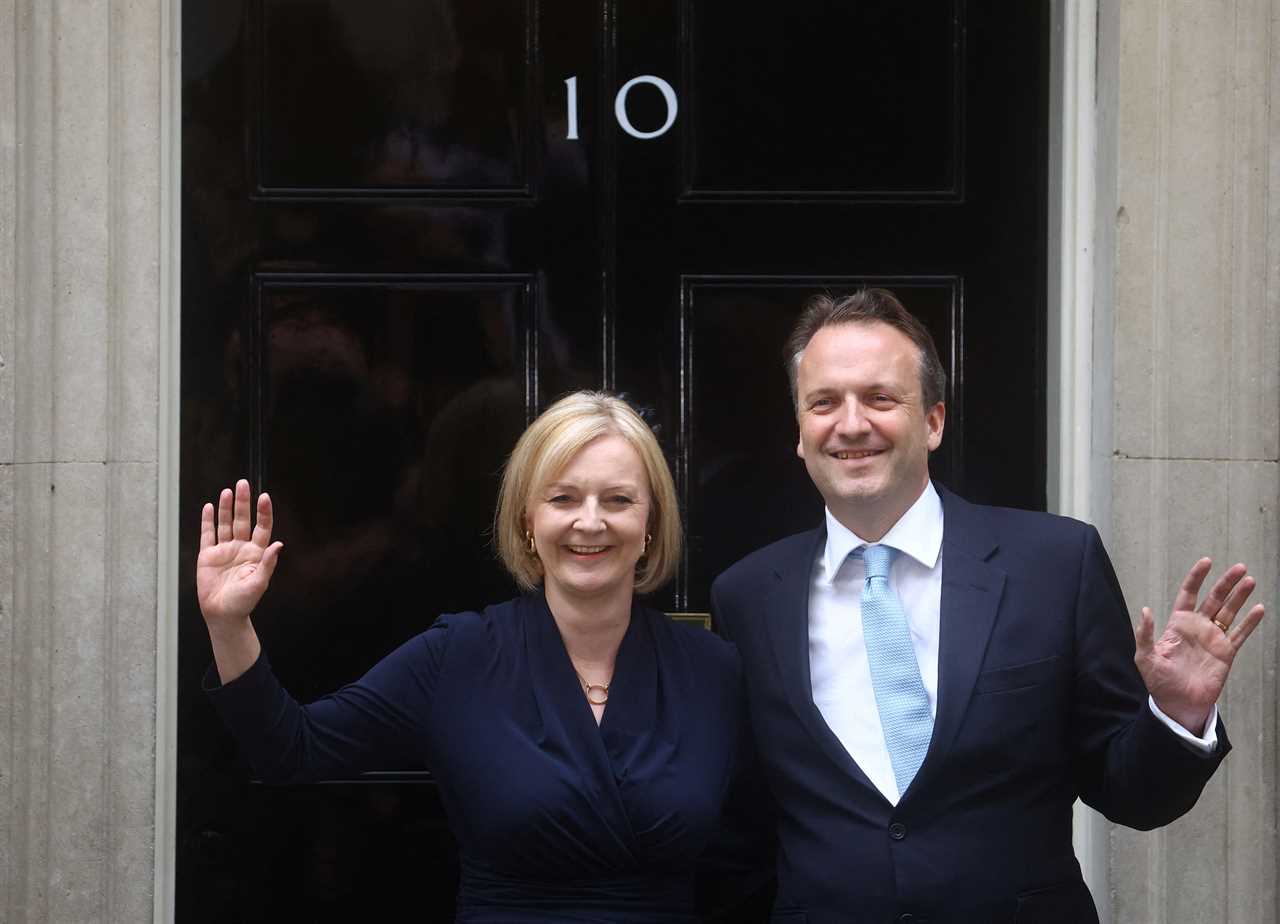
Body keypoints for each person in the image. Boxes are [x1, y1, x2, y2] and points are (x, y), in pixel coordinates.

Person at [711, 289, 1266, 923]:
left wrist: (1175, 715)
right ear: (801, 434)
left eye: (881, 398)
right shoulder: (748, 597)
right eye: (824, 402)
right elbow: (744, 832)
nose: (852, 422)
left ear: (934, 422)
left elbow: (1133, 795)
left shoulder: (1055, 564)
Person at [198, 391, 749, 923]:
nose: (589, 521)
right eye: (563, 498)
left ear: (650, 525)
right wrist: (228, 624)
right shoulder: (457, 656)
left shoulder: (712, 669)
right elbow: (291, 751)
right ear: (527, 521)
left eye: (618, 499)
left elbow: (767, 844)